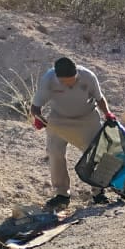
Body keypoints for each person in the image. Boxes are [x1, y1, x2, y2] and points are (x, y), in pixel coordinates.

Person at [31, 57, 115, 211]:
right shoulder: (48, 80)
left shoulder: (88, 76)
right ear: (57, 77)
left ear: (76, 72)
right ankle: (62, 194)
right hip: (59, 120)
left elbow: (99, 98)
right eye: (65, 82)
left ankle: (98, 193)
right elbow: (35, 107)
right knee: (55, 153)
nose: (69, 85)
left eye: (72, 80)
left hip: (87, 118)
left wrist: (108, 114)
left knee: (95, 154)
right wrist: (39, 118)